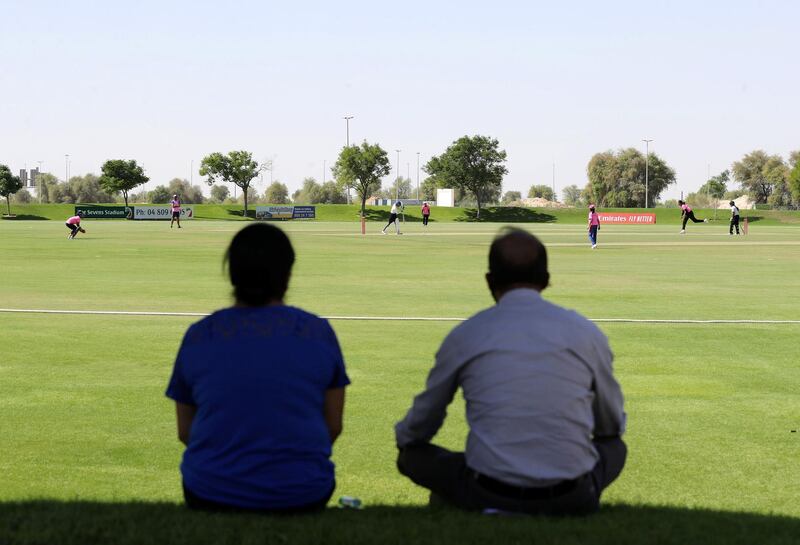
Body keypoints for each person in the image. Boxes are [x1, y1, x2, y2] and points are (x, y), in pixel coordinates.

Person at [395, 228, 626, 516]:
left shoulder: (467, 334)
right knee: (615, 447)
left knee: (412, 457)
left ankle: (457, 504)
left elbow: (422, 422)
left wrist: (404, 439)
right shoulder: (585, 332)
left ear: (489, 280)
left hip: (487, 491)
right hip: (571, 496)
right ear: (546, 279)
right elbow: (610, 425)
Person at [165, 223, 350, 513]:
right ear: (287, 275)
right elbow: (333, 426)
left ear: (232, 274)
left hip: (209, 492)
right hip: (304, 492)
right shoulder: (318, 331)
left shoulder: (199, 334)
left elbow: (185, 432)